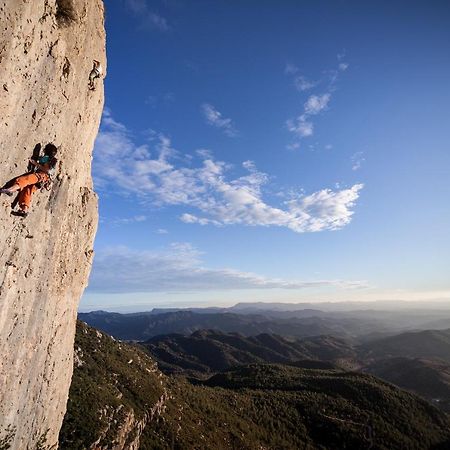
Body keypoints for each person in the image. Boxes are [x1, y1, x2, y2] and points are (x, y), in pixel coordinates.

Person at [0, 143, 58, 217]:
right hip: (43, 180)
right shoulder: (52, 161)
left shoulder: (46, 158)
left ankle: (11, 190)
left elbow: (46, 170)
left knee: (25, 179)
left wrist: (35, 163)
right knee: (27, 190)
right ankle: (24, 210)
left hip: (41, 176)